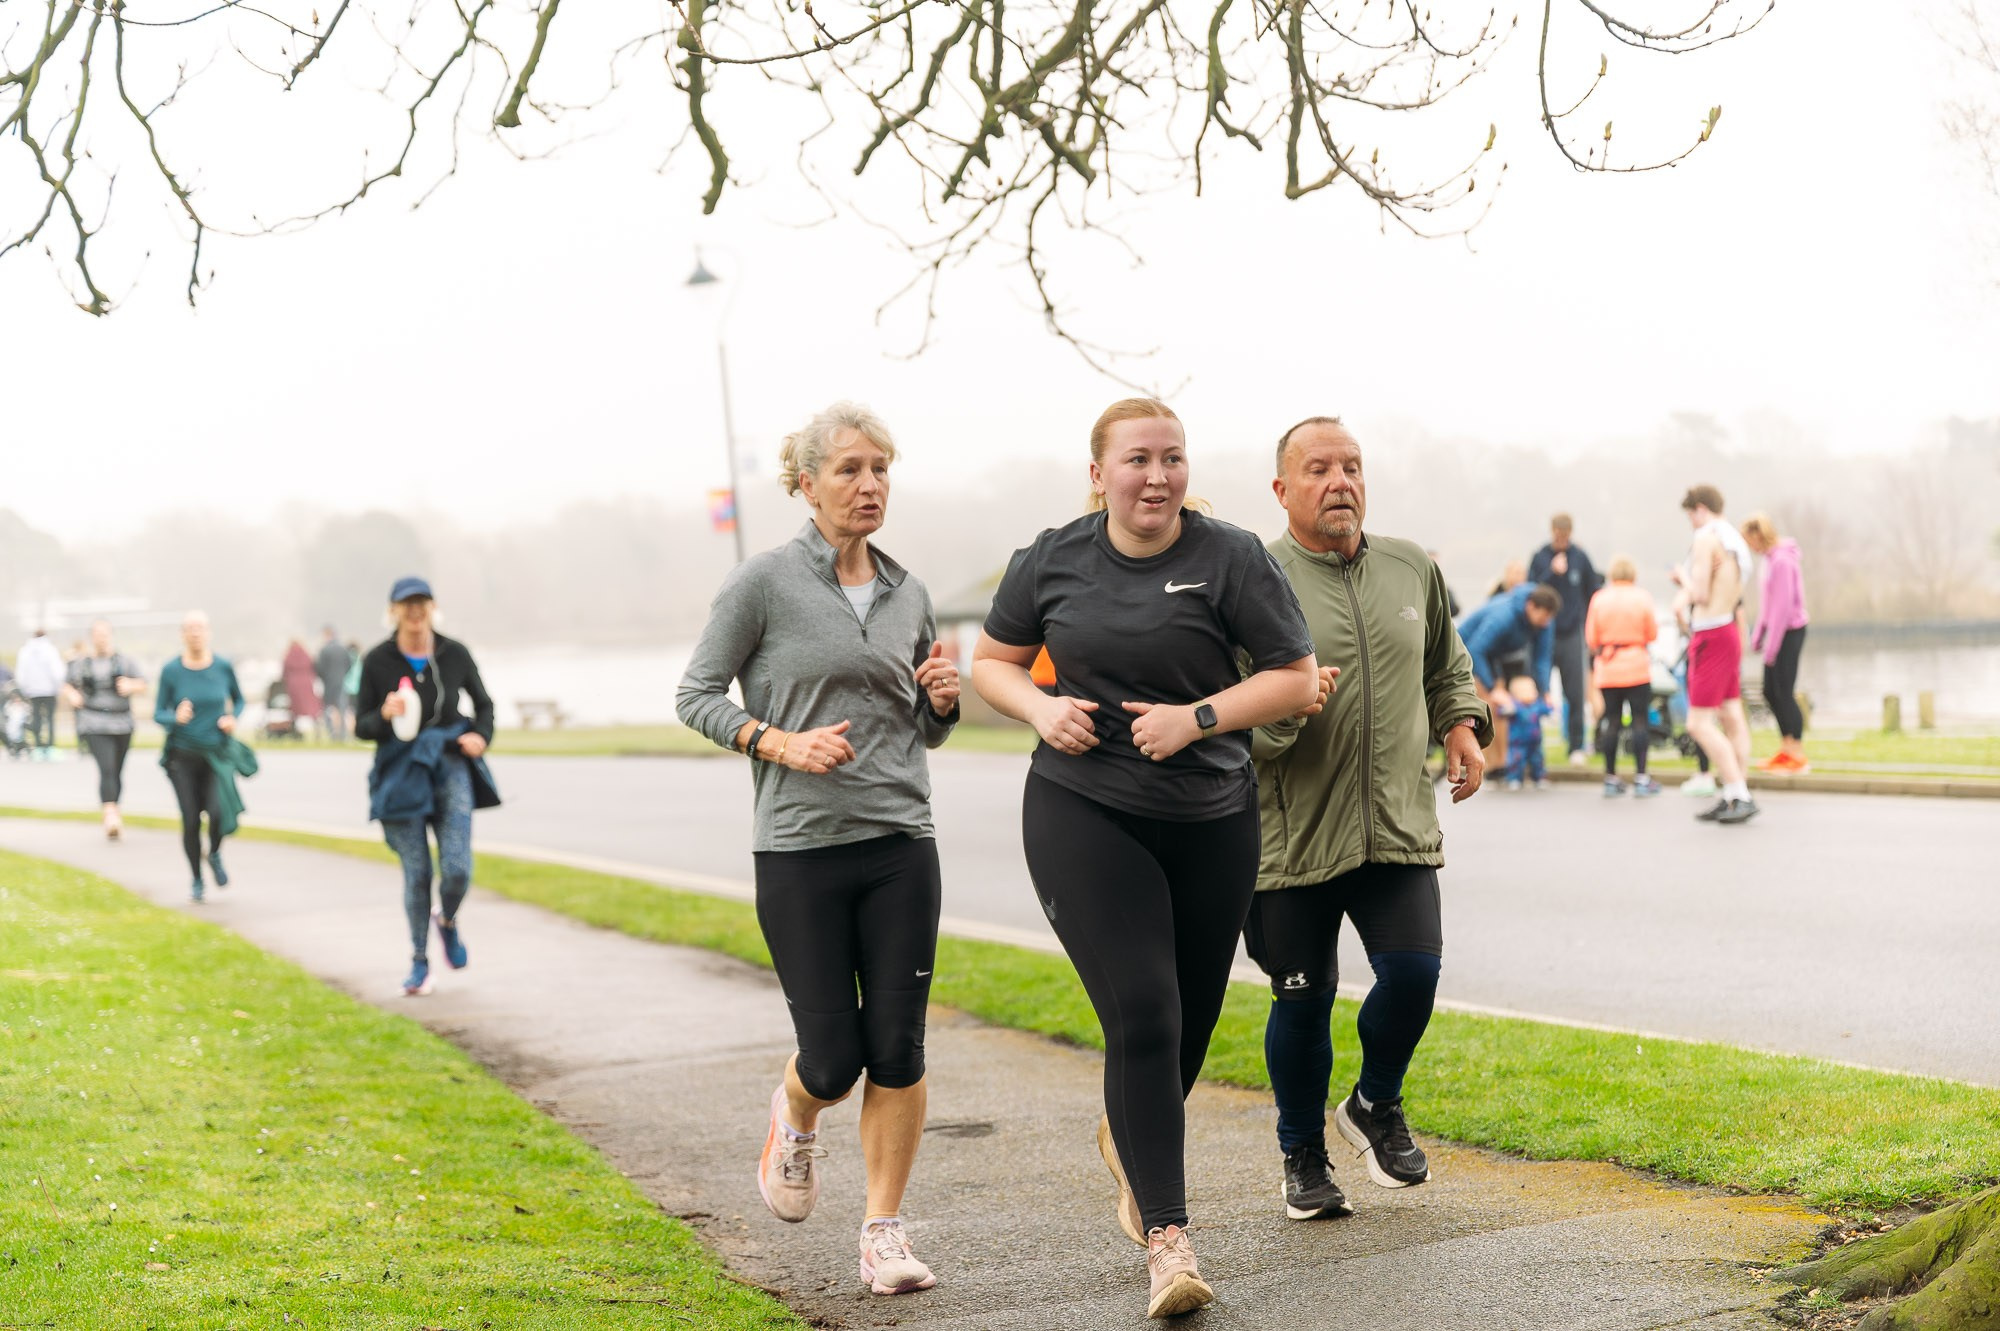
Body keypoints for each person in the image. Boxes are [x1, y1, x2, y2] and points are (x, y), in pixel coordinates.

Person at [971, 398, 1319, 1320]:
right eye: (1136, 460)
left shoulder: (1229, 555)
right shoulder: (1052, 558)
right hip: (1083, 808)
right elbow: (992, 662)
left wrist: (1196, 719)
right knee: (1149, 1013)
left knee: (1190, 1024)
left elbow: (1294, 677)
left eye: (1171, 458)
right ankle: (1169, 1242)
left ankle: (1129, 1134)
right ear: (1099, 473)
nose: (1156, 476)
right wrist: (1043, 710)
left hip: (1213, 813)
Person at [677, 403, 961, 1300]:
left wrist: (942, 702)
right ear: (805, 483)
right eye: (849, 469)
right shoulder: (761, 583)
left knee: (900, 1046)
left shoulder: (909, 591)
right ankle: (796, 1112)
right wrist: (777, 740)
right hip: (800, 847)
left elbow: (921, 729)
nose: (869, 484)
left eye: (880, 468)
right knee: (835, 1058)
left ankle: (883, 1232)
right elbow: (693, 695)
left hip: (900, 842)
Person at [1246, 416, 1488, 1229]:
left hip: (1395, 824)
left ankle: (1374, 1102)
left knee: (1415, 973)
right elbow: (1231, 711)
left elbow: (1444, 663)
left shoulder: (1409, 565)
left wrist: (1460, 724)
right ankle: (1302, 1157)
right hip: (1292, 836)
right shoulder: (1253, 577)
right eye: (1318, 469)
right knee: (1303, 1003)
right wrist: (1288, 709)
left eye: (1351, 466)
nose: (1339, 481)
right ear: (1283, 490)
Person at [354, 577, 499, 997]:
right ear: (393, 610)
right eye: (406, 604)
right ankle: (419, 962)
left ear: (433, 607)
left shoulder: (454, 653)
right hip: (400, 772)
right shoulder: (377, 660)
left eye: (422, 603)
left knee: (457, 868)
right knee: (417, 873)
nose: (415, 611)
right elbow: (361, 726)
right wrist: (382, 713)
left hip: (450, 763)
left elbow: (484, 704)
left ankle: (448, 920)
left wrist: (481, 736)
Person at [154, 611, 253, 901]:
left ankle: (216, 853)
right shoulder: (172, 670)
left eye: (200, 628)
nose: (195, 633)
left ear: (208, 633)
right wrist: (176, 717)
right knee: (191, 819)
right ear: (182, 635)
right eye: (189, 629)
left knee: (218, 813)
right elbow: (159, 712)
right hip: (182, 757)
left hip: (215, 755)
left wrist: (232, 717)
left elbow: (240, 699)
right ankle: (196, 878)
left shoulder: (222, 666)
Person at [1672, 485, 1757, 824]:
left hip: (1711, 631)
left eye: (1691, 515)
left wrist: (1682, 579)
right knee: (1732, 715)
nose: (1691, 523)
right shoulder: (1734, 539)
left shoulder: (1706, 539)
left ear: (1700, 509)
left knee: (1697, 723)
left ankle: (1738, 792)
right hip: (1728, 631)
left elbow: (1702, 593)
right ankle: (1734, 793)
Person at [60, 620, 147, 838]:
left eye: (105, 634)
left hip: (122, 722)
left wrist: (130, 685)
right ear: (92, 637)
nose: (101, 638)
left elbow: (144, 683)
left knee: (117, 770)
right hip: (94, 722)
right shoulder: (81, 664)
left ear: (111, 636)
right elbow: (66, 684)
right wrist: (72, 695)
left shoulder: (125, 662)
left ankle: (113, 808)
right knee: (106, 767)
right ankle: (110, 814)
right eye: (97, 634)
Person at [1527, 514, 1602, 764]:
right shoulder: (1540, 557)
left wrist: (1591, 631)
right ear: (1552, 532)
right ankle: (1533, 748)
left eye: (1565, 534)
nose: (1561, 539)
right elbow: (1531, 591)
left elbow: (1594, 593)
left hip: (1571, 634)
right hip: (1543, 634)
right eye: (1557, 534)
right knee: (1538, 689)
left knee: (1575, 693)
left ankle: (1576, 746)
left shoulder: (1580, 557)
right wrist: (1551, 572)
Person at [1585, 558, 1661, 797]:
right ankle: (1641, 777)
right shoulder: (1643, 597)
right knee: (1640, 721)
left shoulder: (1599, 598)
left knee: (1612, 722)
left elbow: (1591, 639)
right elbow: (1652, 633)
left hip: (1608, 668)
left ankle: (1610, 777)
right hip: (1637, 665)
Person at [1742, 514, 1810, 773]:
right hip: (1776, 633)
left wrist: (1771, 649)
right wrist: (1758, 634)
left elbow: (1782, 609)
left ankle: (1797, 755)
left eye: (1750, 540)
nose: (1750, 546)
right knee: (1770, 691)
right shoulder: (1768, 561)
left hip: (1790, 632)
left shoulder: (1782, 561)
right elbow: (1767, 605)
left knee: (1784, 691)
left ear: (1759, 535)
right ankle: (1786, 748)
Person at [1456, 582, 1561, 711]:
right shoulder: (1504, 616)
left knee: (1503, 705)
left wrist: (1545, 691)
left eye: (1548, 619)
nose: (1545, 624)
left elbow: (1542, 657)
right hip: (1461, 653)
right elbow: (1475, 650)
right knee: (1489, 704)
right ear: (1531, 606)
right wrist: (1492, 688)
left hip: (1491, 656)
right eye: (1543, 618)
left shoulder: (1545, 622)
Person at [13, 629, 65, 761]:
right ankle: (50, 746)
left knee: (36, 719)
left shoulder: (25, 651)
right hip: (49, 690)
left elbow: (21, 673)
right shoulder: (50, 650)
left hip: (33, 690)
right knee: (50, 719)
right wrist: (58, 686)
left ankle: (38, 747)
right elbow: (57, 671)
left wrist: (24, 688)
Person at [1499, 676, 1553, 790]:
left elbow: (1547, 710)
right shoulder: (1516, 707)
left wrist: (1550, 705)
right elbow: (1502, 712)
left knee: (1538, 760)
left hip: (1535, 741)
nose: (1532, 693)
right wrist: (1507, 707)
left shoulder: (1537, 705)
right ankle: (1514, 778)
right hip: (1518, 742)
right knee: (1516, 761)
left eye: (1533, 690)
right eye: (1527, 691)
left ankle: (1539, 778)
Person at [316, 627, 354, 743]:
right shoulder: (343, 649)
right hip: (341, 682)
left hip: (329, 684)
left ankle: (331, 734)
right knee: (342, 710)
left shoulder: (324, 650)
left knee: (328, 709)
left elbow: (319, 668)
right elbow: (349, 665)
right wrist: (342, 675)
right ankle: (343, 735)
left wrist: (325, 678)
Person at [281, 637, 323, 739]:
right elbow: (314, 669)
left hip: (294, 685)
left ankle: (295, 732)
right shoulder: (306, 655)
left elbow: (284, 672)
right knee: (312, 709)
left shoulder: (289, 655)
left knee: (294, 710)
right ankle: (317, 732)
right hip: (307, 685)